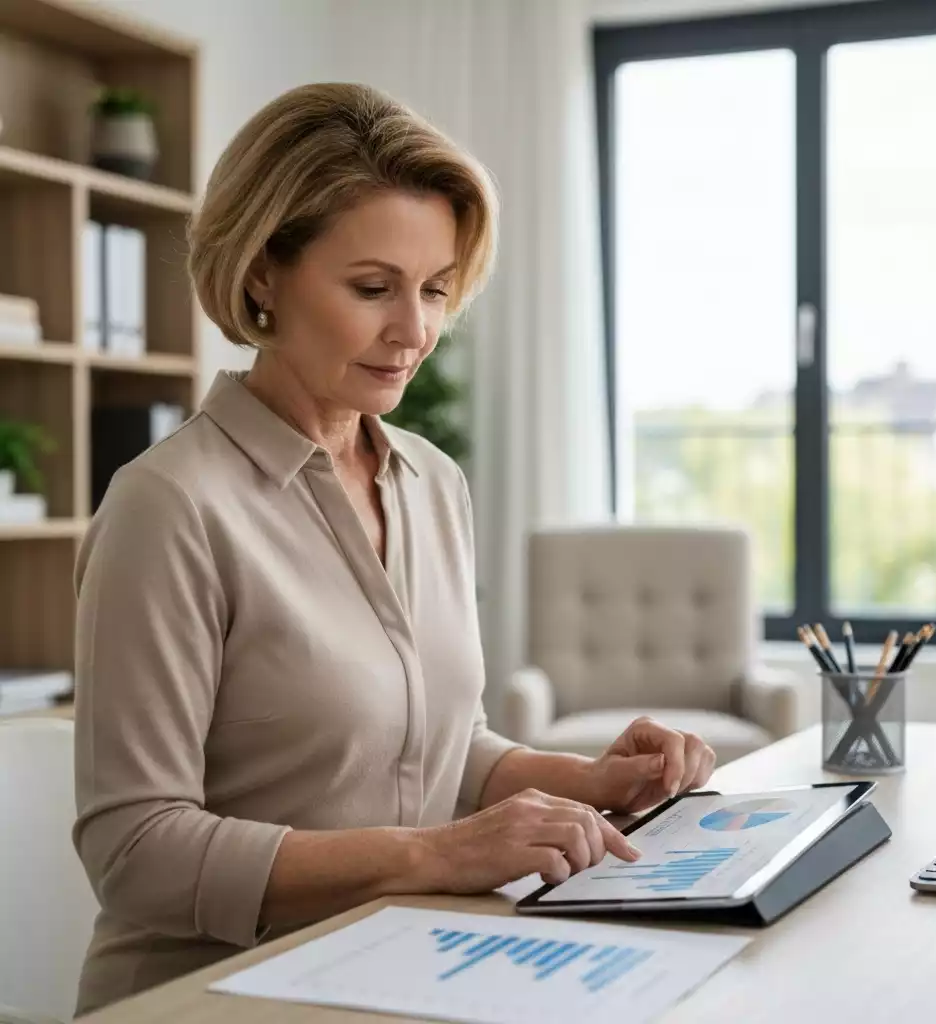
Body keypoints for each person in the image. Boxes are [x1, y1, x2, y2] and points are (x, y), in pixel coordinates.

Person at [72, 82, 716, 1015]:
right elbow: (136, 851)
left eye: (437, 290)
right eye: (372, 289)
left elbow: (431, 747)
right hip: (209, 993)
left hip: (403, 964)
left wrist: (587, 782)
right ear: (263, 274)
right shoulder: (168, 507)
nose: (415, 332)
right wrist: (436, 854)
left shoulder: (431, 481)